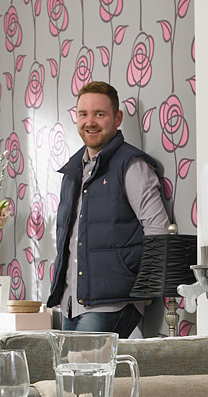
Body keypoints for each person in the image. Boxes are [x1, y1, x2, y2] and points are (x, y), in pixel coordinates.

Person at [47, 80, 171, 340]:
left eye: (99, 114)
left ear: (117, 118)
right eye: (83, 114)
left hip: (115, 302)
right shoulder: (72, 171)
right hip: (72, 303)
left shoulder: (131, 165)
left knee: (82, 371)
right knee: (69, 375)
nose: (90, 122)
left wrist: (146, 290)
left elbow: (158, 229)